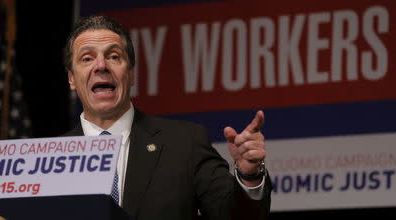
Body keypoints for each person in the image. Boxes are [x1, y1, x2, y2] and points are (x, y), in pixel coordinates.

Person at [62, 15, 271, 220]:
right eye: (87, 58)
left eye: (114, 56)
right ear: (71, 78)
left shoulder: (184, 143)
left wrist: (248, 175)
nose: (101, 66)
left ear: (131, 73)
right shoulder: (47, 159)